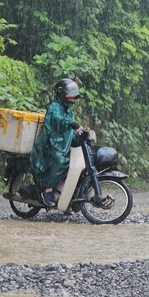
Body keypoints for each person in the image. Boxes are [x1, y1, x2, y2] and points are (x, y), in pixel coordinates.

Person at [30, 78, 86, 207]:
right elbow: (57, 121)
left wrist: (80, 135)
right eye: (70, 97)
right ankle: (48, 189)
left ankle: (64, 198)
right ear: (61, 95)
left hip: (61, 146)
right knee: (61, 161)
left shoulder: (69, 111)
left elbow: (69, 133)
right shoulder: (54, 108)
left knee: (74, 163)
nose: (72, 100)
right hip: (49, 145)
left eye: (74, 98)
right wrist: (70, 123)